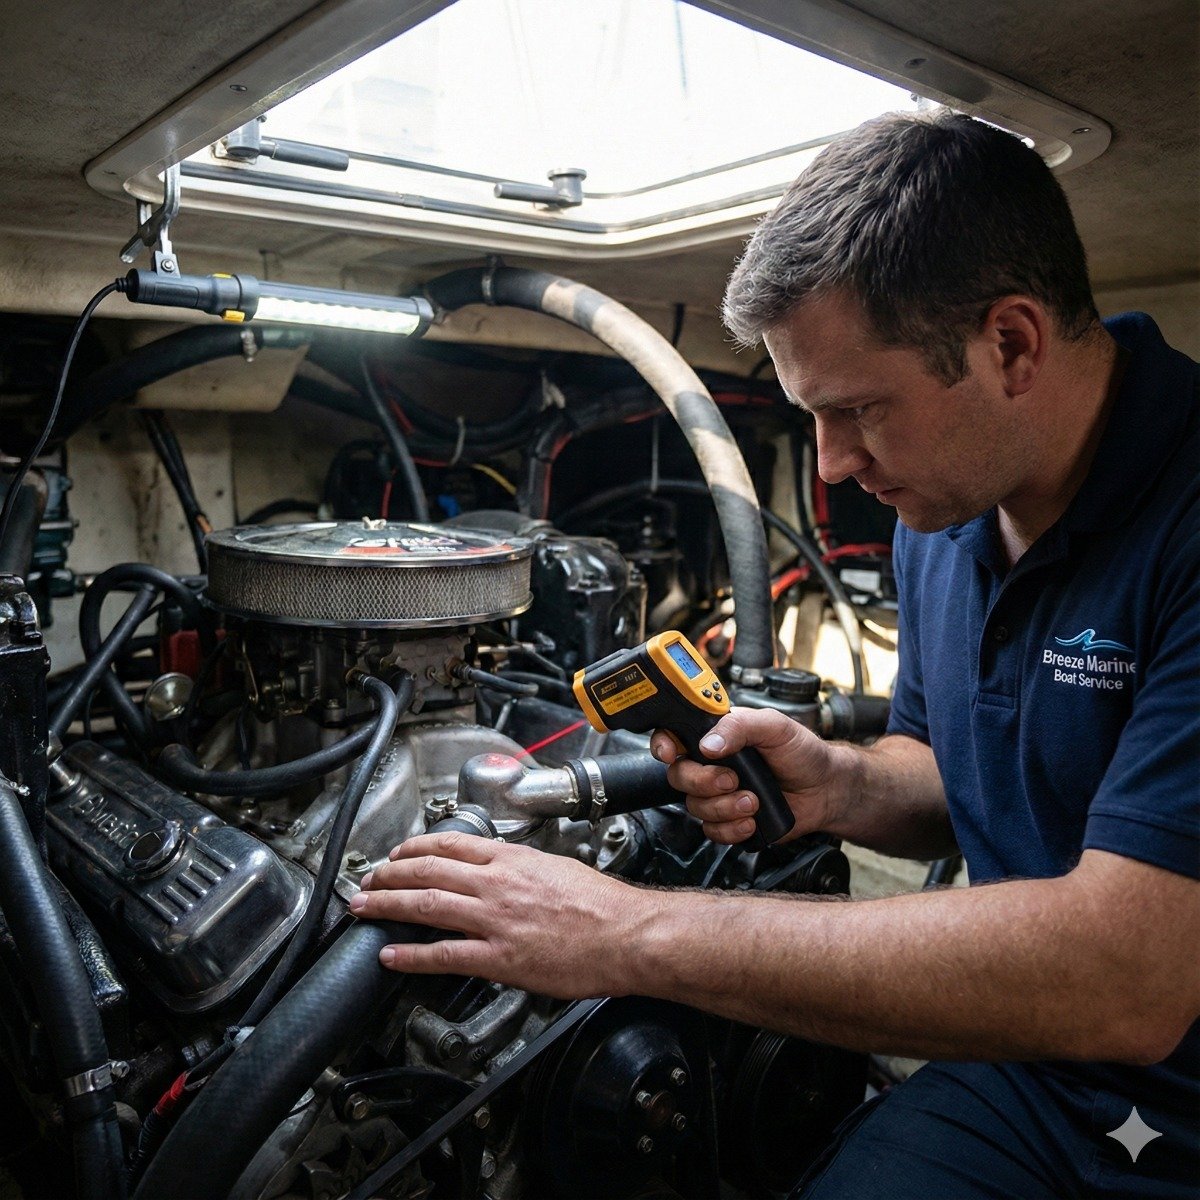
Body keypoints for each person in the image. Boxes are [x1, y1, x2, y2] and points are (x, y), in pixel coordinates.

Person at [349, 111, 1199, 1197]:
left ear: (1013, 346)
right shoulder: (947, 506)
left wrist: (629, 932)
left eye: (858, 410)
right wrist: (841, 785)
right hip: (1028, 1065)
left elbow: (1129, 977)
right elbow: (952, 767)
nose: (833, 466)